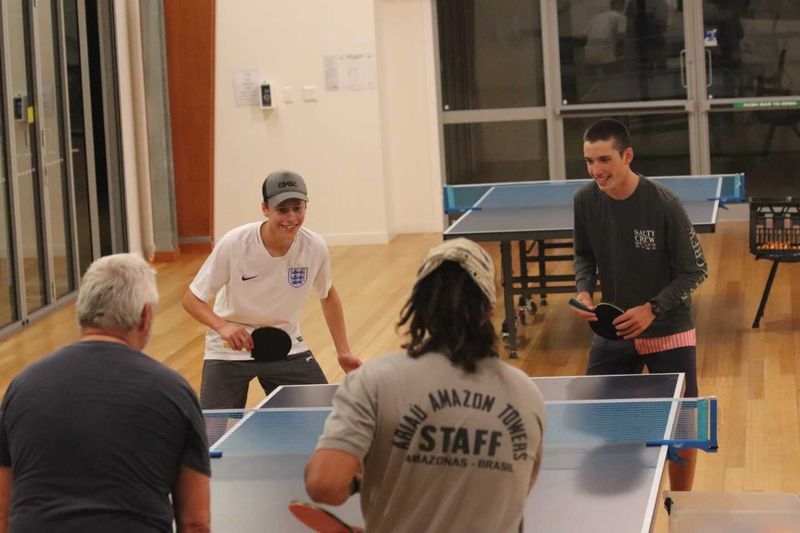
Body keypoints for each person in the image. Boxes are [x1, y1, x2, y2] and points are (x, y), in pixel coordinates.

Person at [305, 238, 546, 533]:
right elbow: (509, 500)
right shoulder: (527, 394)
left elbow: (325, 486)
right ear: (489, 309)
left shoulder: (373, 381)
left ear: (419, 305)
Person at [0, 254, 210, 532]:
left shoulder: (20, 388)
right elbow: (195, 523)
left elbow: (2, 512)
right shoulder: (174, 392)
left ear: (82, 311)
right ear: (145, 316)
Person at [570, 118, 708, 491]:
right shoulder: (585, 200)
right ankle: (620, 498)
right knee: (599, 418)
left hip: (669, 328)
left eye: (604, 160)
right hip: (614, 330)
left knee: (683, 424)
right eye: (589, 161)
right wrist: (584, 291)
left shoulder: (664, 204)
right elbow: (584, 254)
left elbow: (695, 271)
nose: (596, 170)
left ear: (627, 156)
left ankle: (680, 504)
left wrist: (652, 308)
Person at [183, 170, 361, 412]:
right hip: (229, 350)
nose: (291, 217)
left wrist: (343, 352)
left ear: (306, 207)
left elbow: (327, 294)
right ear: (265, 208)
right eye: (282, 210)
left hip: (286, 345)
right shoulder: (235, 243)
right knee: (214, 430)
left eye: (297, 208)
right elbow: (192, 299)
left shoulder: (314, 247)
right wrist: (223, 327)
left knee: (321, 418)